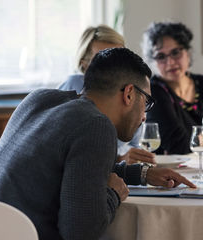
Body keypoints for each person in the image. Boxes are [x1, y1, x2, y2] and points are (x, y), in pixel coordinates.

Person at [0, 48, 195, 240]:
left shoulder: (40, 99)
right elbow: (81, 234)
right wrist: (114, 194)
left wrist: (142, 173)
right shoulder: (96, 125)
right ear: (129, 94)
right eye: (145, 101)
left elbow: (76, 171)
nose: (145, 115)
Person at [59, 24, 154, 164]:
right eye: (102, 57)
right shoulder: (74, 93)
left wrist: (139, 171)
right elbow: (77, 161)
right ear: (83, 63)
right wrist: (119, 160)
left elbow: (135, 143)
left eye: (120, 58)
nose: (113, 64)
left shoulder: (128, 95)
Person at [142, 21, 203, 154]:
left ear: (187, 52)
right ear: (153, 62)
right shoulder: (153, 91)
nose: (170, 62)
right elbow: (178, 145)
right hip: (171, 170)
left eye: (175, 52)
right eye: (161, 56)